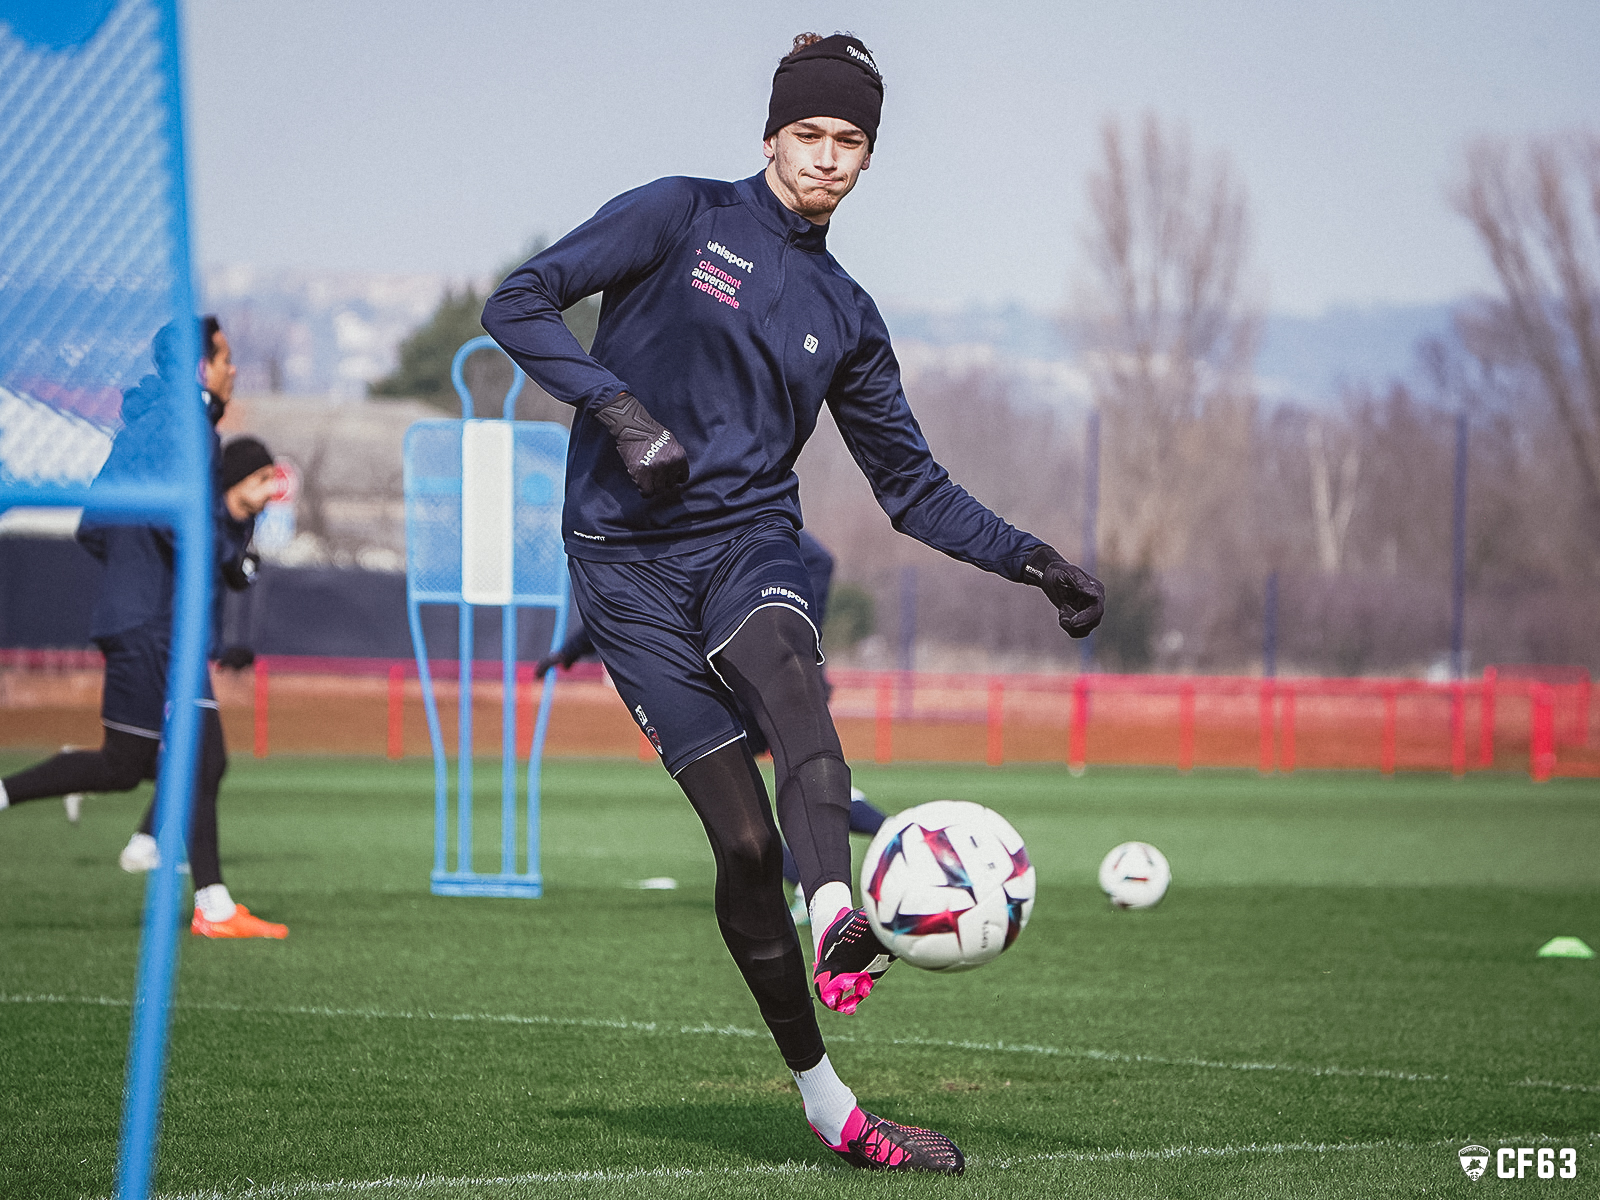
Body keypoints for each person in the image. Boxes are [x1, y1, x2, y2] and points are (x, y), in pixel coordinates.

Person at [483, 32, 1102, 1174]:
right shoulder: (678, 216)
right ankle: (828, 1104)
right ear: (771, 135)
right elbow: (516, 302)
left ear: (869, 159)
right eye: (808, 134)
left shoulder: (845, 314)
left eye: (849, 141)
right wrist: (620, 413)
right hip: (618, 567)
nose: (826, 157)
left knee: (786, 674)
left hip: (745, 543)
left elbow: (911, 488)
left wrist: (1032, 561)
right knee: (737, 843)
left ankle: (840, 918)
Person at [0, 319, 289, 941]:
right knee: (203, 759)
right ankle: (212, 906)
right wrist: (205, 558)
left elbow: (92, 526)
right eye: (225, 359)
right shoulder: (189, 428)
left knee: (126, 763)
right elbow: (178, 523)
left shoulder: (142, 426)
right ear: (198, 367)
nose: (233, 370)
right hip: (161, 625)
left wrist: (139, 575)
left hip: (130, 616)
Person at [533, 529, 887, 914]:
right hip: (730, 685)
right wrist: (570, 651)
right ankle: (888, 836)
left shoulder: (741, 518)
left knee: (746, 795)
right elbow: (629, 608)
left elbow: (819, 560)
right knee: (783, 783)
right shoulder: (674, 540)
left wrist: (795, 636)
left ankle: (828, 870)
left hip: (761, 679)